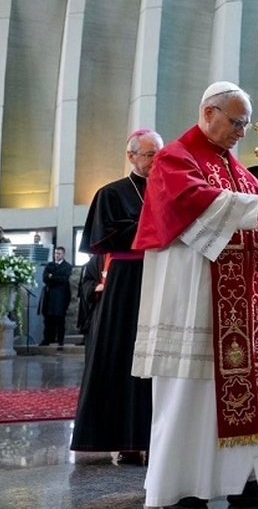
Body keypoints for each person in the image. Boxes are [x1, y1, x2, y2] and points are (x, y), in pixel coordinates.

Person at [131, 81, 258, 508]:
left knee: (252, 385)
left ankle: (255, 481)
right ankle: (184, 485)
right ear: (209, 113)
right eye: (236, 121)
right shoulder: (176, 157)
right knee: (193, 390)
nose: (242, 131)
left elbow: (254, 212)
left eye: (245, 123)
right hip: (195, 298)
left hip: (243, 304)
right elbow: (193, 200)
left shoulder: (235, 167)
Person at [70, 129, 162, 463]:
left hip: (163, 278)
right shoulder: (111, 193)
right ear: (132, 156)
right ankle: (127, 440)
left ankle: (159, 440)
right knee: (124, 358)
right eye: (150, 154)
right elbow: (103, 237)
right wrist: (151, 228)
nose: (156, 160)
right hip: (126, 285)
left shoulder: (170, 191)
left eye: (159, 154)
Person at [38, 246, 73, 347]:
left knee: (59, 318)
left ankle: (60, 340)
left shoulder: (67, 266)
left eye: (59, 254)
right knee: (48, 318)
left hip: (61, 296)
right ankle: (48, 338)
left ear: (63, 254)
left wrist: (52, 276)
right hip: (49, 295)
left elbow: (64, 279)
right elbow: (45, 278)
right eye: (55, 253)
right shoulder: (49, 265)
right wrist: (53, 277)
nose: (57, 256)